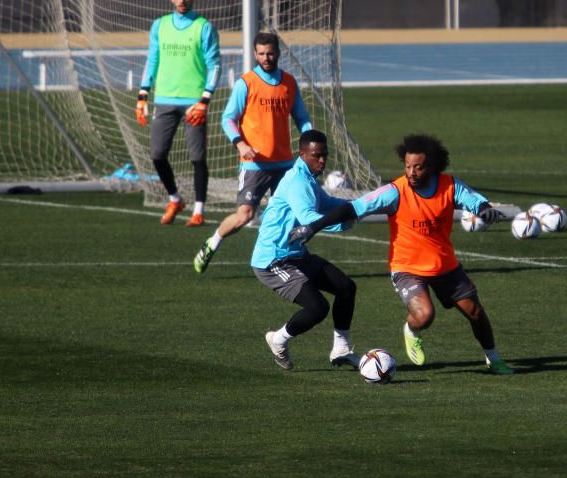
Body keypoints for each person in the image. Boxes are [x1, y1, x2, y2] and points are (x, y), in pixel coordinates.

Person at [289, 134, 514, 376]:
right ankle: (411, 330)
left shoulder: (451, 187)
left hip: (445, 265)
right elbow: (352, 208)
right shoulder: (395, 191)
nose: (412, 172)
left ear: (432, 166)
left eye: (418, 167)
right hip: (407, 268)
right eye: (408, 166)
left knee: (475, 312)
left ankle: (493, 359)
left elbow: (476, 203)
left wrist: (486, 211)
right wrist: (313, 227)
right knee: (425, 315)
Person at [193, 32, 313, 273]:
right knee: (245, 215)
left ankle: (291, 259)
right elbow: (228, 119)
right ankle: (212, 243)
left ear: (277, 53)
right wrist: (240, 144)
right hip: (254, 166)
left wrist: (311, 142)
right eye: (261, 54)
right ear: (255, 54)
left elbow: (301, 117)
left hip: (285, 165)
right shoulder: (245, 83)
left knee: (292, 213)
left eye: (270, 53)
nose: (266, 58)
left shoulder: (289, 82)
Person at [252, 129, 360, 371]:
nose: (322, 161)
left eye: (325, 156)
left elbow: (328, 204)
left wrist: (362, 206)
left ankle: (342, 348)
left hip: (296, 255)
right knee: (318, 307)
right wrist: (346, 220)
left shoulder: (308, 177)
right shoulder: (298, 181)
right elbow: (309, 219)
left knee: (346, 287)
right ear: (302, 155)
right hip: (273, 261)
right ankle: (277, 339)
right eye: (316, 156)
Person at [136, 0, 221, 226]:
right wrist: (143, 95)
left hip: (194, 101)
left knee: (197, 157)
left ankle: (198, 210)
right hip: (164, 99)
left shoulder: (203, 27)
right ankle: (175, 198)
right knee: (157, 154)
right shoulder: (160, 25)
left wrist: (205, 99)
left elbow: (214, 64)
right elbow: (152, 60)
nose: (182, 0)